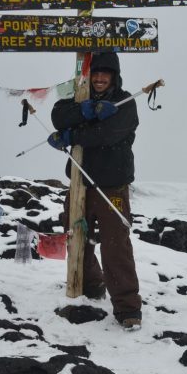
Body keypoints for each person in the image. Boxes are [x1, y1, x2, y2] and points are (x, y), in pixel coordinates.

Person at [48, 52, 142, 329]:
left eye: (106, 73)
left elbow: (108, 135)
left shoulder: (125, 103)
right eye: (95, 73)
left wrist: (72, 135)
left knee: (115, 244)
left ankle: (127, 308)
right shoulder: (79, 99)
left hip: (112, 183)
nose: (100, 78)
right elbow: (57, 114)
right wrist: (83, 111)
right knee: (76, 234)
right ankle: (91, 285)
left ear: (114, 76)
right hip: (79, 181)